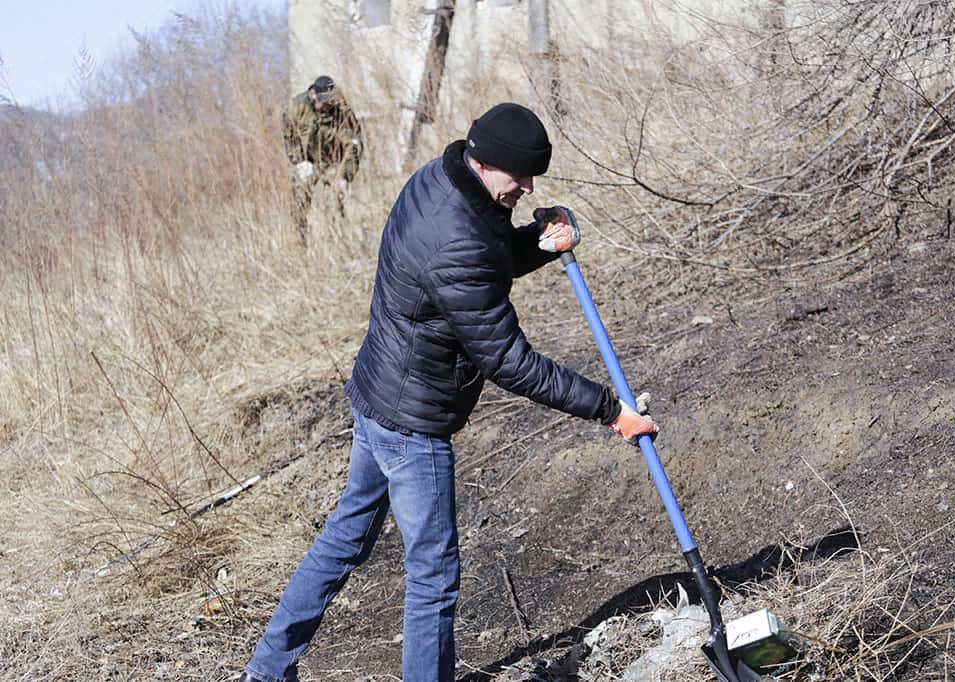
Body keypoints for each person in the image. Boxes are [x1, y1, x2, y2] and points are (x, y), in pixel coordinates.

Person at [239, 102, 658, 682]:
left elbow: (483, 264)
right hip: (413, 424)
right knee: (432, 576)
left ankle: (263, 673)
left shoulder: (442, 180)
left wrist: (537, 238)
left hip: (379, 395)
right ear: (486, 162)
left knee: (344, 540)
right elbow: (508, 358)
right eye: (522, 176)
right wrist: (610, 411)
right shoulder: (455, 235)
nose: (529, 186)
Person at [283, 75, 363, 246]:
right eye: (323, 102)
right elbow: (289, 138)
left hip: (333, 161)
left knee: (334, 201)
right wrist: (299, 161)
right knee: (299, 197)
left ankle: (337, 243)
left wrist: (344, 175)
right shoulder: (295, 108)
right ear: (313, 95)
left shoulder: (341, 109)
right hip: (307, 161)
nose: (327, 106)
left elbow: (353, 145)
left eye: (330, 102)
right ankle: (300, 241)